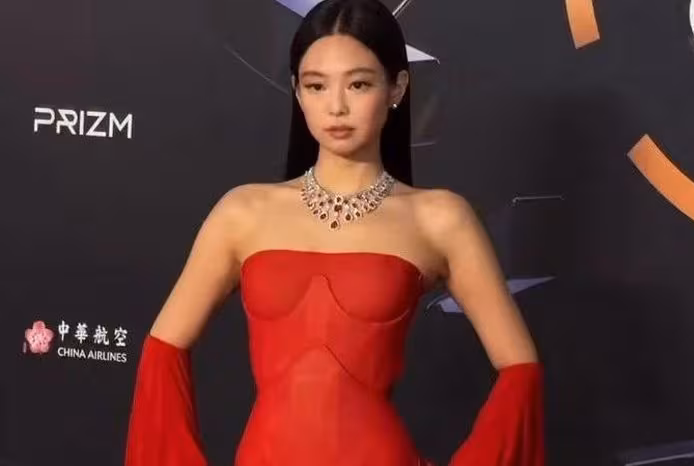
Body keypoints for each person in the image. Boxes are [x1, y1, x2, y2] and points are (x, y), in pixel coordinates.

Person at [124, 0, 545, 464]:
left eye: (359, 84)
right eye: (316, 85)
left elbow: (520, 369)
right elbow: (163, 349)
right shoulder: (243, 211)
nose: (336, 106)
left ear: (397, 87)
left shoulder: (439, 217)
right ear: (297, 92)